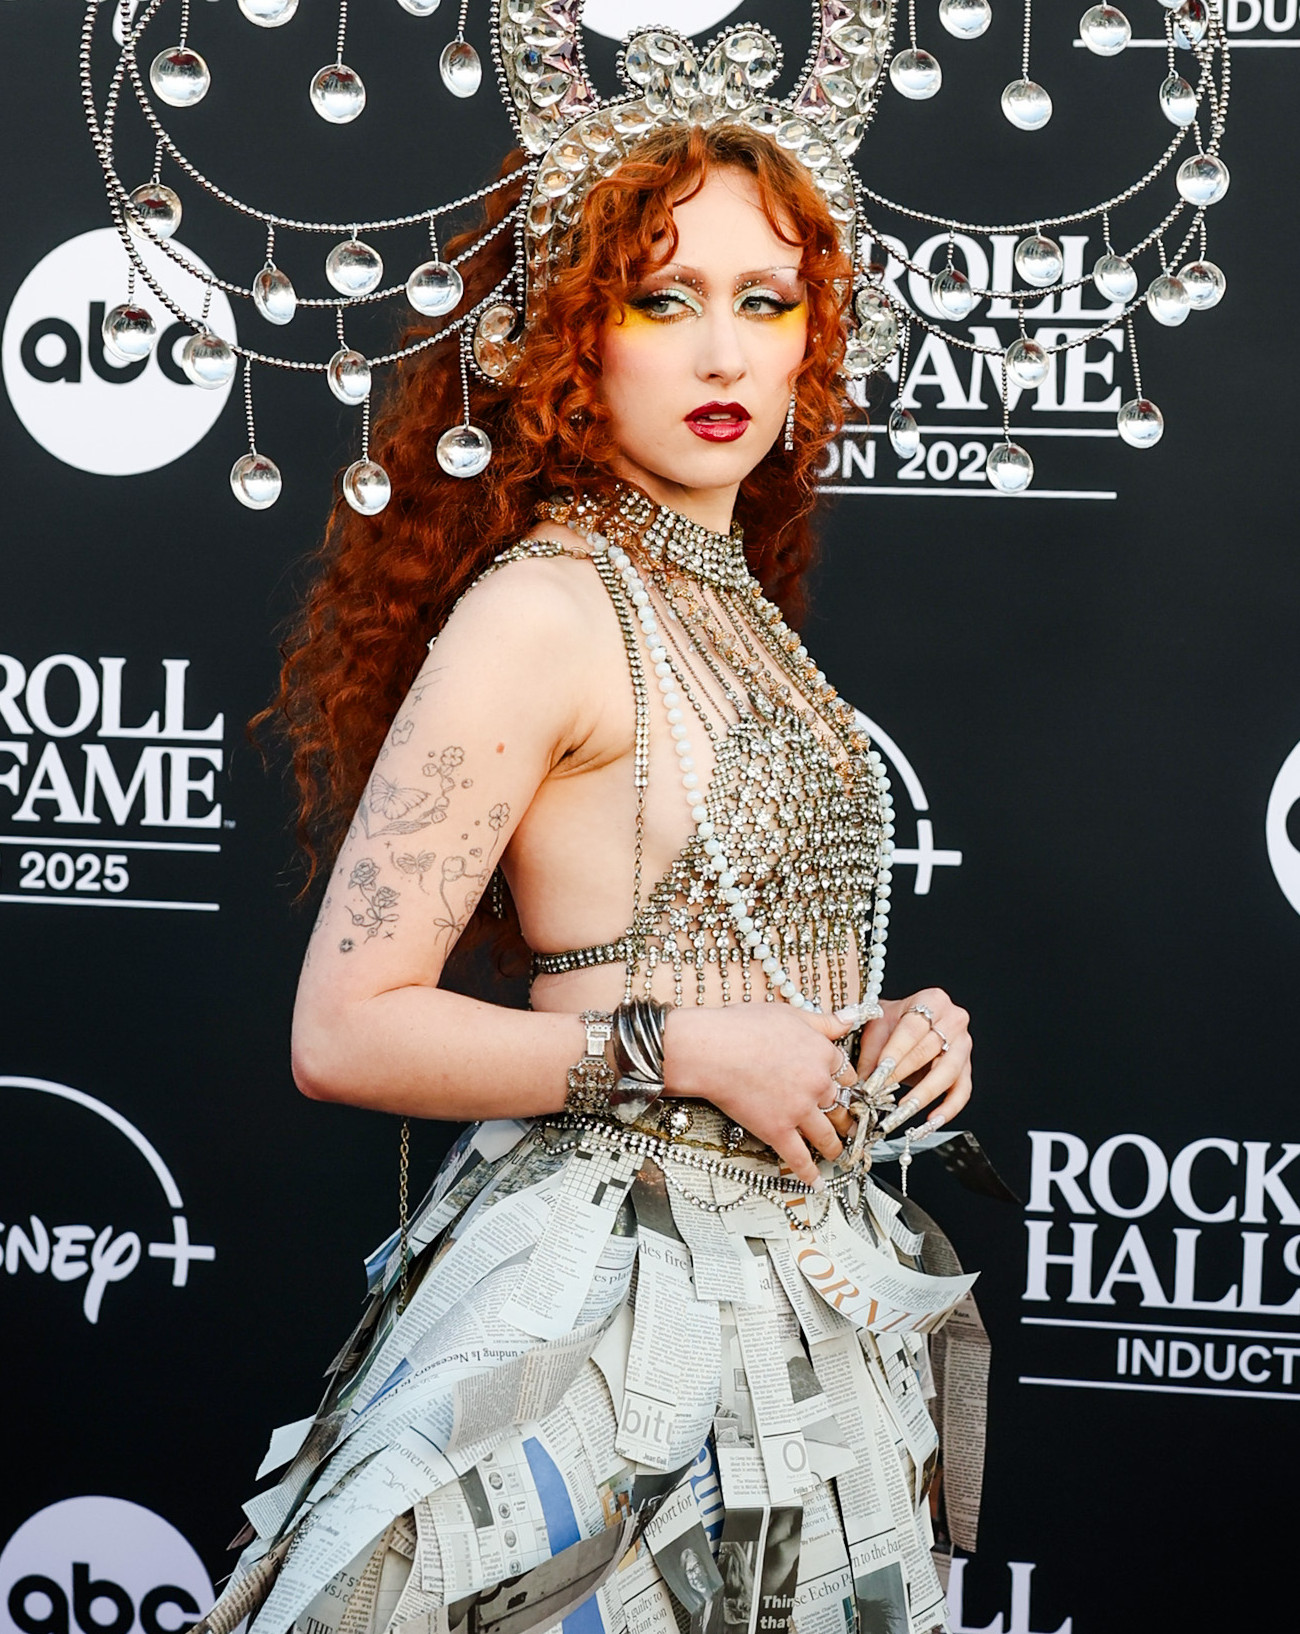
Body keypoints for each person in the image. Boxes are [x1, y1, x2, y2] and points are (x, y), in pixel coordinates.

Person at [196, 123, 975, 1634]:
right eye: (662, 297)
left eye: (766, 299)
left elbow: (729, 950)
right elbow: (344, 1030)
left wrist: (870, 1033)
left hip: (802, 1301)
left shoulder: (727, 596)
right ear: (570, 336)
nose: (721, 349)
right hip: (614, 1317)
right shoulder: (547, 607)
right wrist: (686, 1046)